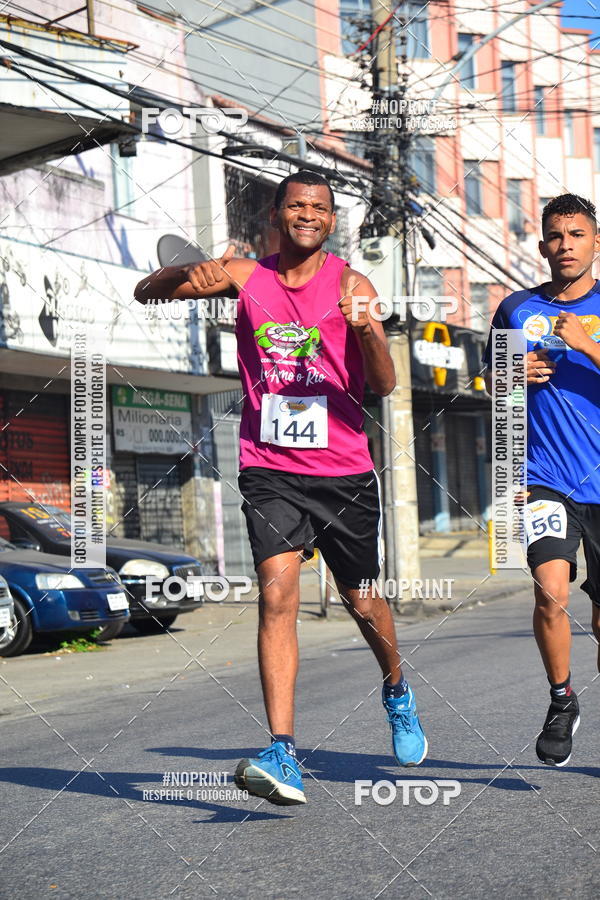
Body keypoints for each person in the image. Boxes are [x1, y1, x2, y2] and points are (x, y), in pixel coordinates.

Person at [135, 170, 427, 805]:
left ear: (330, 219)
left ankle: (397, 691)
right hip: (269, 467)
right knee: (278, 597)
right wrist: (185, 272)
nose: (306, 215)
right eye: (296, 205)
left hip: (343, 471)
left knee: (363, 601)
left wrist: (368, 328)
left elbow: (383, 386)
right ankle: (283, 751)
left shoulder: (354, 283)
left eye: (318, 208)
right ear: (277, 214)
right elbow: (144, 293)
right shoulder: (246, 274)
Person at [483, 193, 600, 767]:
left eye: (577, 234)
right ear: (542, 245)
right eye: (556, 236)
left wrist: (586, 345)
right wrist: (507, 372)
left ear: (595, 242)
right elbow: (489, 383)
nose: (565, 246)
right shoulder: (515, 309)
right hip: (543, 477)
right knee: (549, 592)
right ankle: (561, 699)